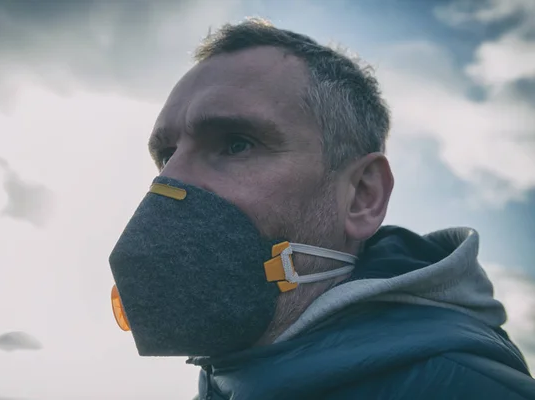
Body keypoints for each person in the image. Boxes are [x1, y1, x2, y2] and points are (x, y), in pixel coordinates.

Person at [108, 18, 535, 400]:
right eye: (166, 155)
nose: (168, 185)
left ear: (362, 196)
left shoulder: (470, 389)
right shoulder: (224, 380)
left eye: (237, 143)